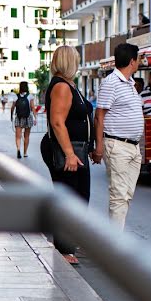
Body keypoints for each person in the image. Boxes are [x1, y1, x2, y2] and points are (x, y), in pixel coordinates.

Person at [39, 45, 93, 265]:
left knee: (78, 198)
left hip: (77, 149)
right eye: (76, 60)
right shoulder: (61, 87)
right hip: (68, 150)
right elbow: (58, 122)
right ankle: (63, 248)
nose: (79, 63)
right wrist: (70, 154)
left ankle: (67, 242)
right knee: (70, 198)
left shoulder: (69, 84)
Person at [93, 43, 144, 227]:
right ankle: (114, 246)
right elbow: (99, 116)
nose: (138, 62)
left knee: (125, 195)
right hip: (117, 145)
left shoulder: (130, 83)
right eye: (137, 59)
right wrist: (99, 146)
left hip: (133, 147)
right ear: (132, 61)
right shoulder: (111, 83)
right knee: (119, 196)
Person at [11, 81, 35, 158]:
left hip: (19, 117)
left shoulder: (16, 96)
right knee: (26, 136)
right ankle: (25, 153)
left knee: (18, 136)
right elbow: (32, 107)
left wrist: (11, 115)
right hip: (28, 117)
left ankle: (18, 149)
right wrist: (35, 117)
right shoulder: (30, 96)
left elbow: (12, 107)